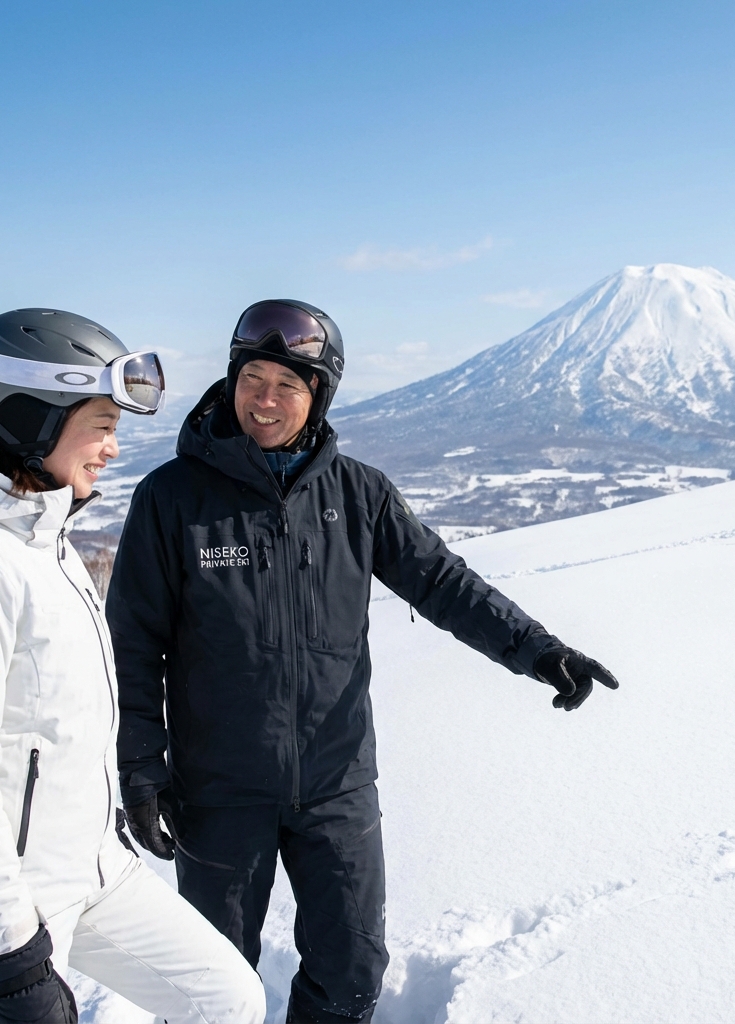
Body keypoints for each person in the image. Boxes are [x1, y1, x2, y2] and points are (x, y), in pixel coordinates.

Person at [107, 299, 618, 1023]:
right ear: (230, 383)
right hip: (219, 788)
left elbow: (444, 583)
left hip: (335, 780)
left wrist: (538, 650)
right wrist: (141, 767)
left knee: (351, 971)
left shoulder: (359, 495)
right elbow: (132, 643)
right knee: (211, 983)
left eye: (289, 384)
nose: (266, 399)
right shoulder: (172, 498)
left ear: (319, 397)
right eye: (253, 378)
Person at [0, 308, 265, 1024]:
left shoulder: (50, 545)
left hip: (95, 866)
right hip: (18, 902)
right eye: (103, 427)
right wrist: (13, 956)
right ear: (32, 418)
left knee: (227, 997)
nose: (114, 449)